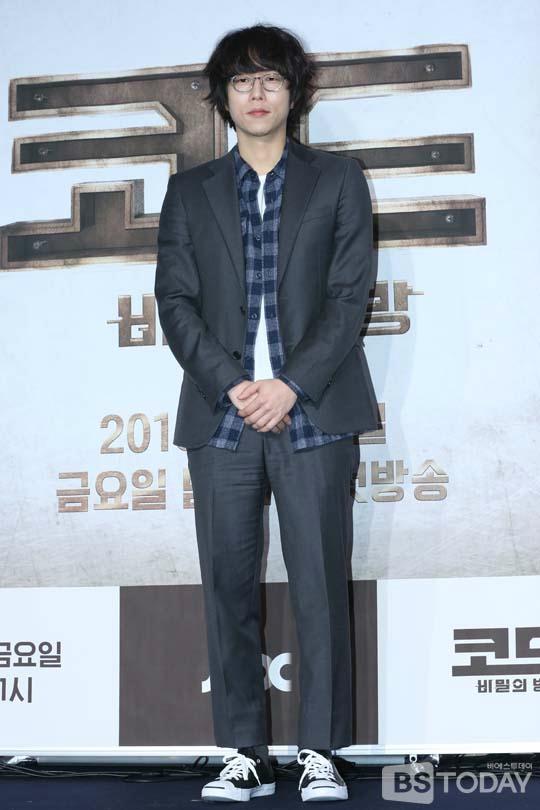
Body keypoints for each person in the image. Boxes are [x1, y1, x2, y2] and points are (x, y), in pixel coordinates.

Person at [154, 22, 379, 804]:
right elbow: (175, 302)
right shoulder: (190, 192)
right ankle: (242, 751)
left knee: (320, 583)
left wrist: (290, 384)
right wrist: (233, 384)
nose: (257, 93)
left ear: (294, 93)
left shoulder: (338, 180)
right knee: (227, 585)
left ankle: (321, 750)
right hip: (221, 418)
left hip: (314, 411)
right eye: (242, 80)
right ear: (222, 97)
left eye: (271, 79)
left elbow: (349, 296)